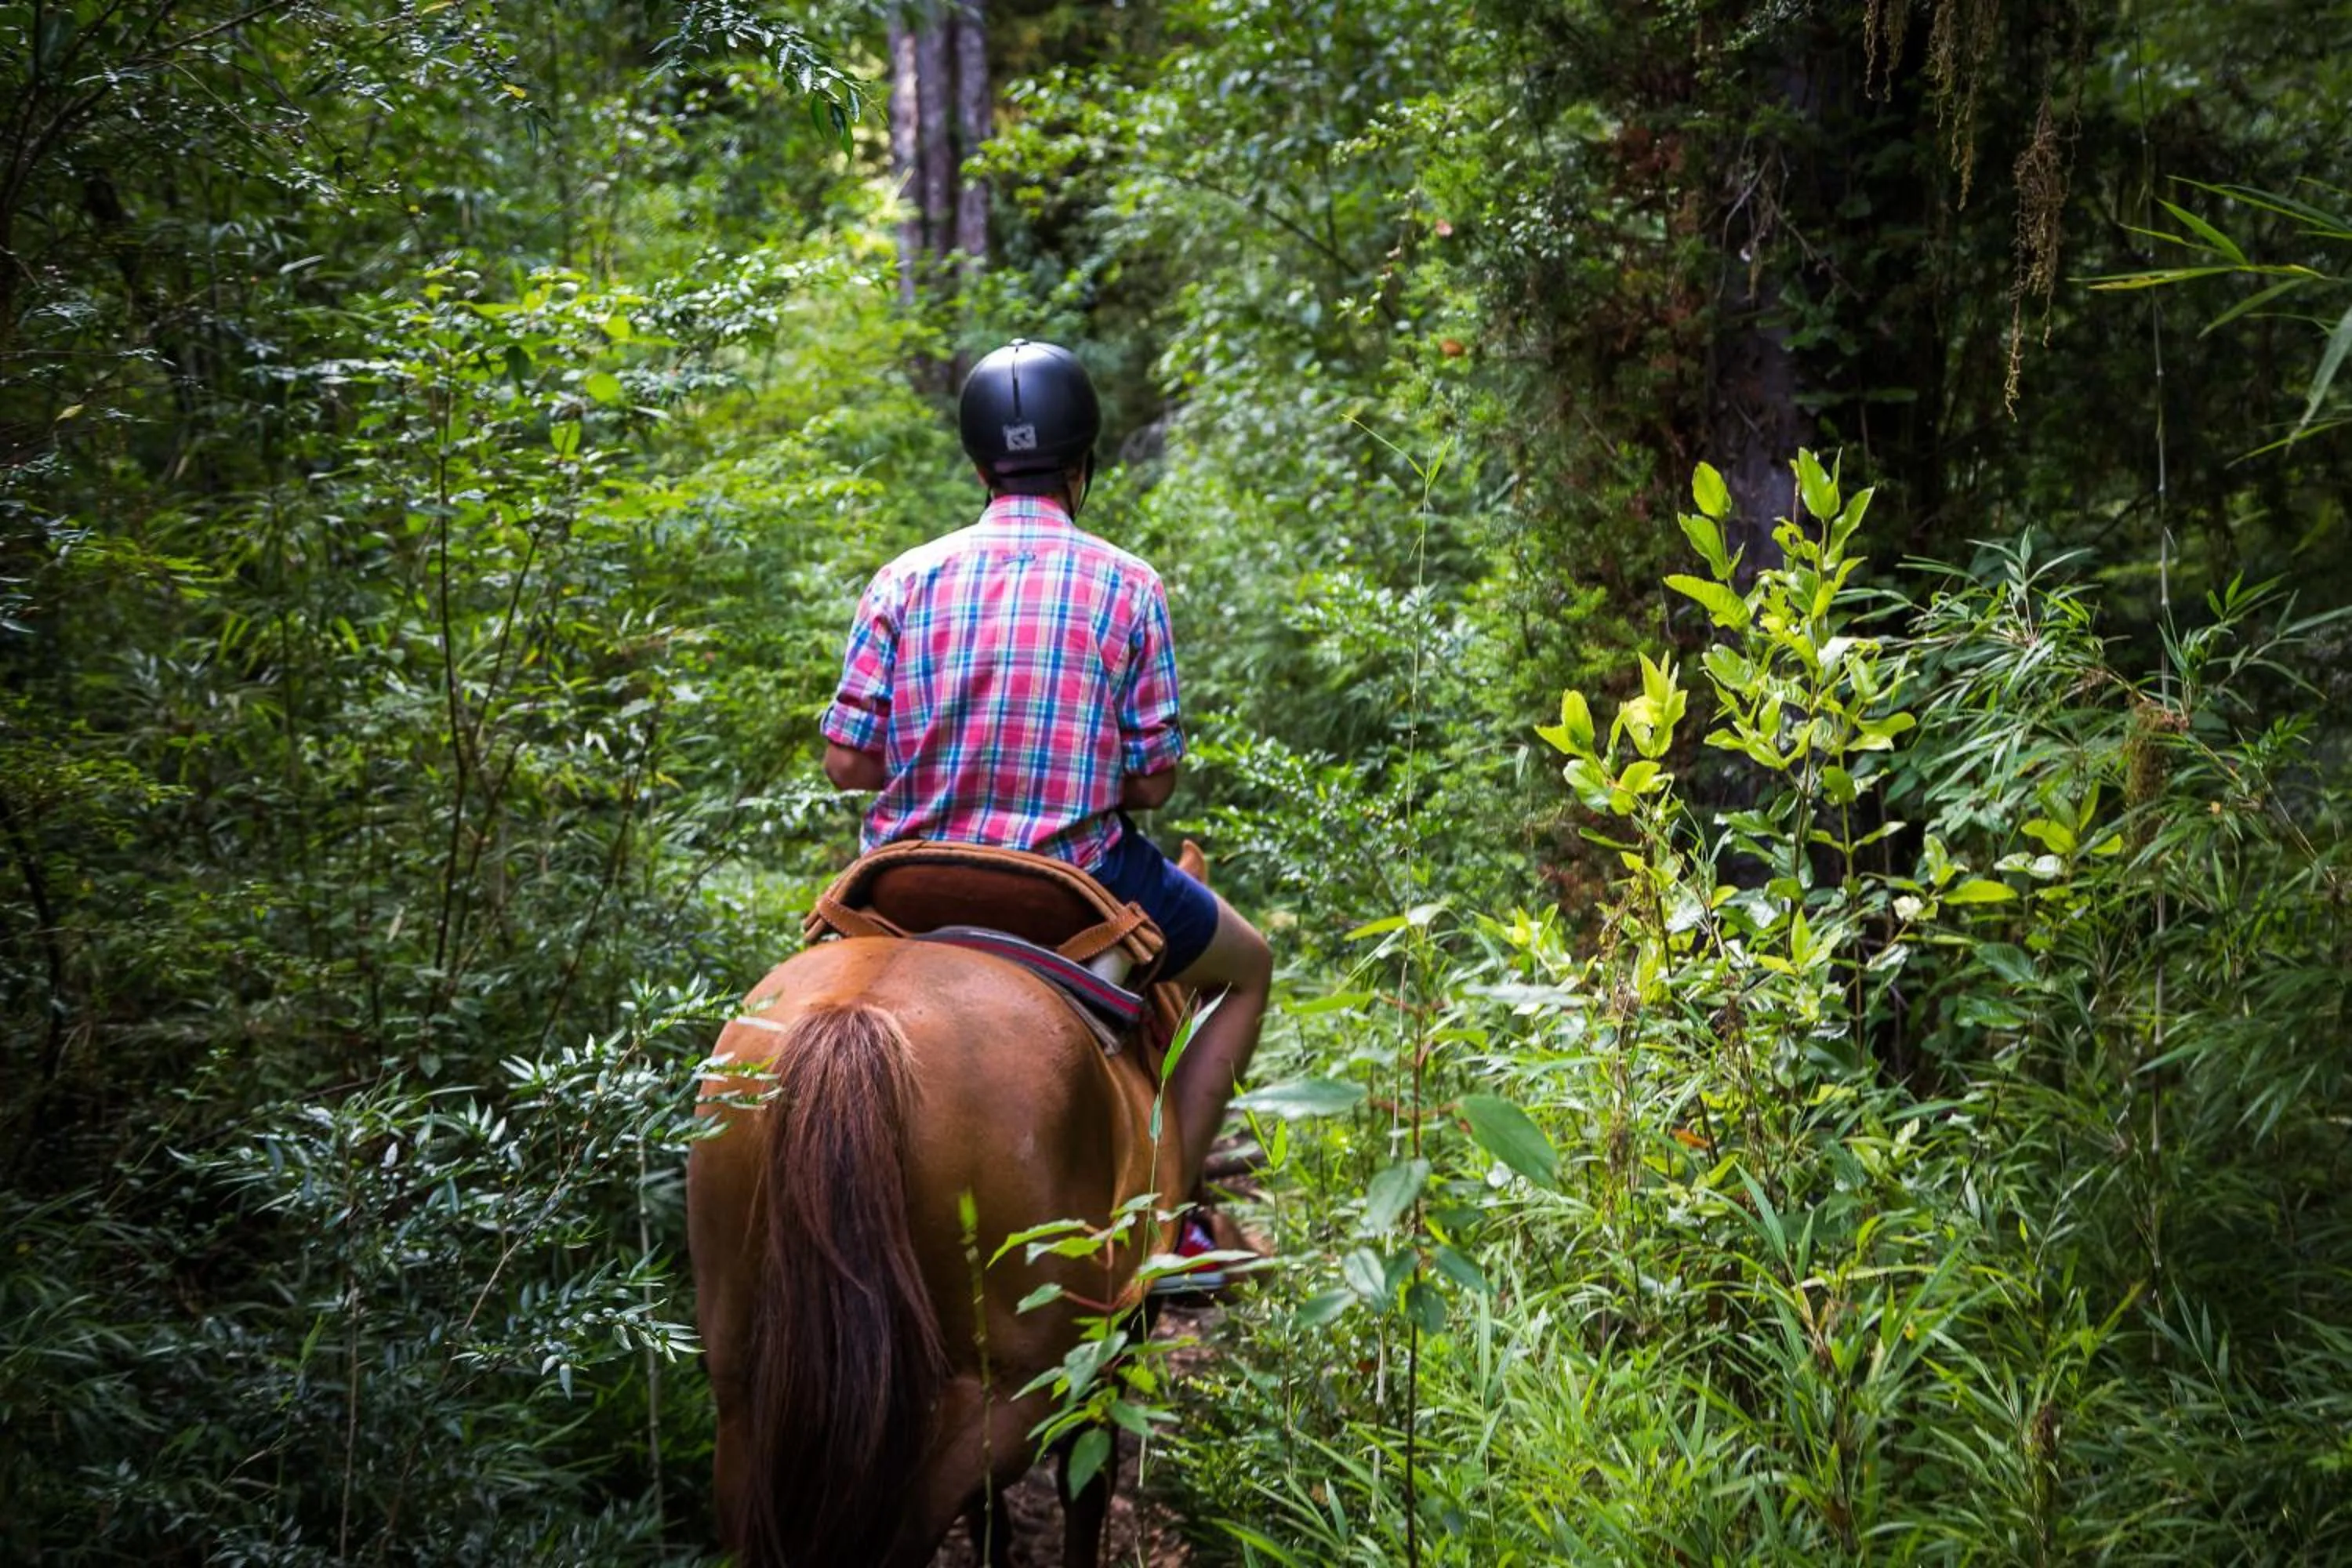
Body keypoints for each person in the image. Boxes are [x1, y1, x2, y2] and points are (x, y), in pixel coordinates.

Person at [818, 338, 1270, 1272]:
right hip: (1075, 881)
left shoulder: (902, 578)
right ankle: (1163, 1212)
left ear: (980, 465)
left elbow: (845, 762)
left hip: (906, 884)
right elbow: (1151, 784)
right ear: (1082, 464)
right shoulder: (1129, 583)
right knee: (1249, 967)